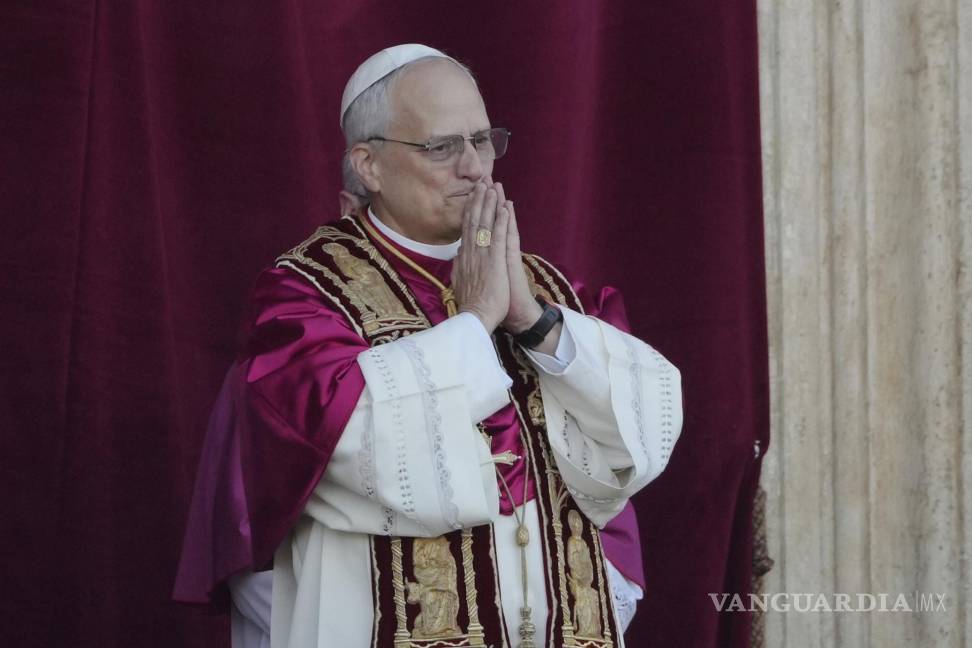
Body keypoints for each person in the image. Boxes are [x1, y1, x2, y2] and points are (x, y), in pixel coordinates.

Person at [174, 44, 683, 648]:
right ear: (369, 166)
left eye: (483, 140)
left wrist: (531, 321)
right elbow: (348, 445)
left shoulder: (548, 289)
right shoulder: (308, 292)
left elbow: (642, 430)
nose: (474, 168)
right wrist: (475, 322)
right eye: (442, 147)